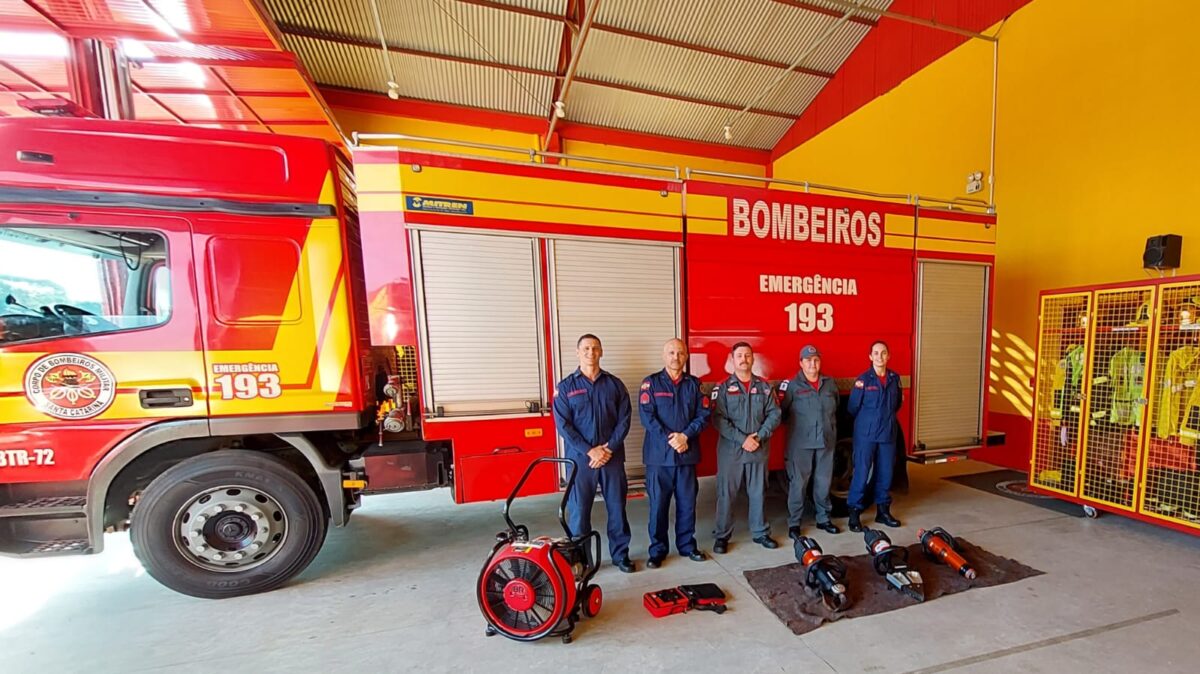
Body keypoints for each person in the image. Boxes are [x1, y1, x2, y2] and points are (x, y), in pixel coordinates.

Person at [552, 334, 636, 573]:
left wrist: (607, 448)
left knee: (617, 509)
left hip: (612, 458)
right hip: (581, 461)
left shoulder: (614, 385)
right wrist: (590, 450)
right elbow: (563, 425)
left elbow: (624, 420)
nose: (591, 352)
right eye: (586, 348)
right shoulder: (566, 387)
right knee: (579, 513)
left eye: (595, 348)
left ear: (601, 352)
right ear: (578, 352)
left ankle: (621, 556)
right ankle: (582, 562)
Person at [639, 338, 711, 568]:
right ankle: (657, 550)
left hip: (686, 455)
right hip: (659, 458)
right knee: (658, 506)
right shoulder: (650, 384)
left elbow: (704, 415)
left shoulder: (695, 385)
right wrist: (671, 438)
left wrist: (685, 436)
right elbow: (647, 417)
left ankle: (687, 545)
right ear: (664, 356)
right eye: (671, 352)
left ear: (687, 356)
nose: (675, 357)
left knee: (687, 504)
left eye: (680, 353)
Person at [712, 341, 782, 553]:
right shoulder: (722, 388)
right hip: (731, 451)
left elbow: (775, 414)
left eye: (748, 355)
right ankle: (722, 536)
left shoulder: (764, 387)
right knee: (726, 493)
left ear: (753, 359)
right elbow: (718, 419)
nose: (744, 359)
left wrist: (759, 437)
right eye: (739, 355)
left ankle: (761, 532)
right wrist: (743, 439)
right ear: (732, 360)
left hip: (758, 448)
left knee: (758, 491)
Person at [779, 344, 840, 540]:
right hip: (800, 443)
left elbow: (836, 405)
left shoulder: (829, 383)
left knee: (823, 482)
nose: (812, 364)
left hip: (826, 440)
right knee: (798, 483)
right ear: (801, 363)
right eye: (808, 360)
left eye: (815, 360)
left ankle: (824, 519)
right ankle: (794, 523)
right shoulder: (791, 385)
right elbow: (783, 412)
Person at [846, 340, 903, 531]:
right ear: (870, 357)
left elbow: (897, 404)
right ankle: (854, 514)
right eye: (876, 353)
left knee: (886, 473)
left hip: (887, 433)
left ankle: (883, 512)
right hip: (866, 434)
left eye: (883, 353)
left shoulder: (895, 379)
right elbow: (853, 406)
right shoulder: (863, 380)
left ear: (889, 356)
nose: (880, 357)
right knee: (861, 473)